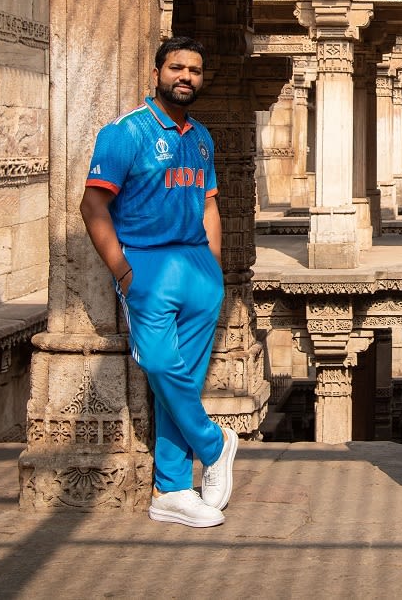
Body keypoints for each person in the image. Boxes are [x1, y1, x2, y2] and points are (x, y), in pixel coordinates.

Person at [80, 36, 238, 528]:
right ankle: (214, 443)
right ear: (157, 74)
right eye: (176, 68)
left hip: (197, 270)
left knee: (184, 378)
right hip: (147, 267)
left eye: (194, 69)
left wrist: (213, 264)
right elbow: (92, 205)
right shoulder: (126, 133)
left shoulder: (201, 137)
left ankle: (170, 490)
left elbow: (210, 203)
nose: (185, 76)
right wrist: (124, 272)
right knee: (159, 363)